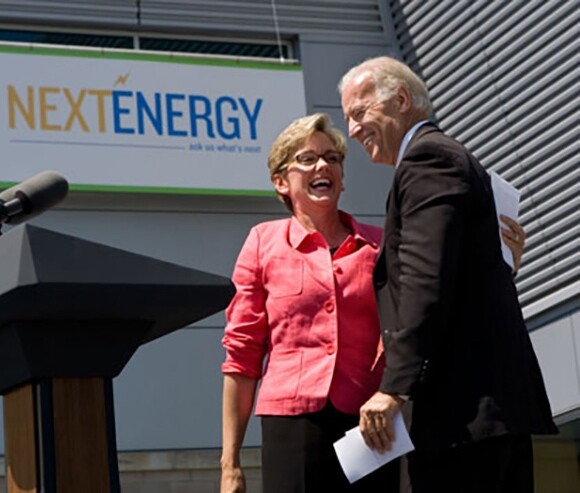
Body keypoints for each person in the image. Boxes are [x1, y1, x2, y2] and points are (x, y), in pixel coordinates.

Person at [218, 112, 527, 493]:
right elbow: (242, 355)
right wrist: (229, 464)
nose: (323, 165)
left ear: (342, 180)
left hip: (373, 421)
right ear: (281, 182)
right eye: (307, 158)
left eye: (333, 158)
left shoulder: (382, 243)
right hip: (292, 424)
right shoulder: (263, 242)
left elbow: (435, 302)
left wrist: (500, 265)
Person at [338, 56, 557, 493]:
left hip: (462, 418)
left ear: (401, 100)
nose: (353, 131)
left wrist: (393, 389)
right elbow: (455, 275)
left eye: (359, 114)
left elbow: (425, 282)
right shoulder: (442, 160)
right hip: (483, 415)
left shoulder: (427, 161)